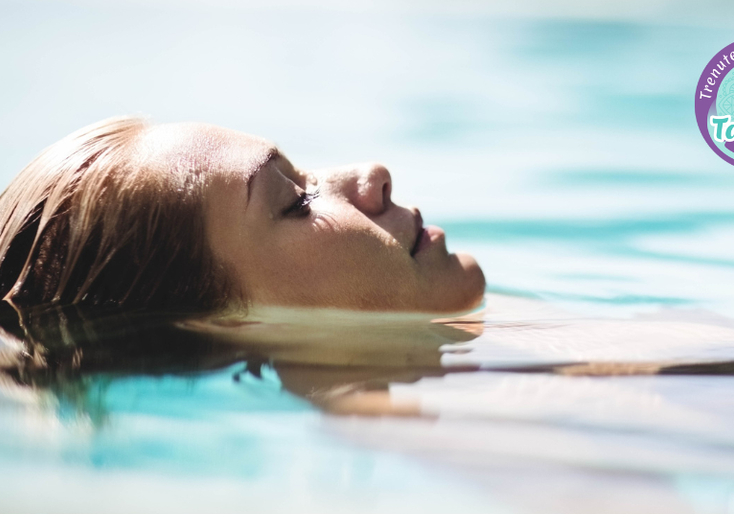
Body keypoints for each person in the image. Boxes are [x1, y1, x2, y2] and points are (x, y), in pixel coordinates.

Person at [0, 117, 485, 313]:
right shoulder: (446, 428)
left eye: (303, 177)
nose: (373, 175)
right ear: (227, 320)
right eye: (297, 202)